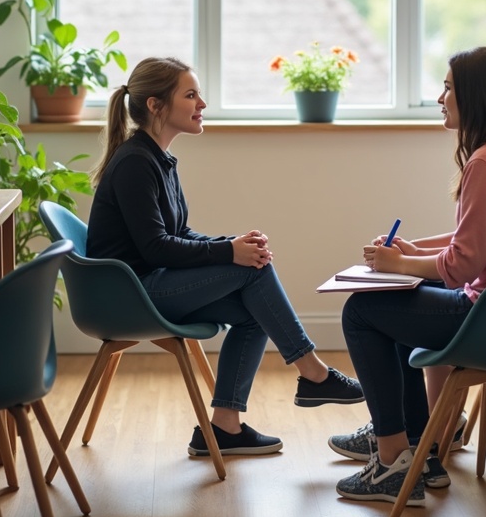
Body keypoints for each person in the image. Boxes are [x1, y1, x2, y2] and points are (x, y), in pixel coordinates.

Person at [333, 47, 486, 508]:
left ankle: (391, 460)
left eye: (448, 87)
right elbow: (480, 239)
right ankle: (419, 453)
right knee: (399, 307)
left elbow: (464, 265)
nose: (441, 97)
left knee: (362, 310)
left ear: (475, 97)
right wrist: (415, 252)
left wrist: (398, 266)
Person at [86, 56, 363, 458]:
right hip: (130, 294)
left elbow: (177, 235)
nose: (202, 104)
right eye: (191, 94)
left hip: (149, 283)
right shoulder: (135, 163)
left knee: (255, 305)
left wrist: (232, 243)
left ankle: (224, 427)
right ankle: (314, 373)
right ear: (156, 105)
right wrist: (230, 253)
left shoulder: (157, 159)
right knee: (253, 275)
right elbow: (156, 248)